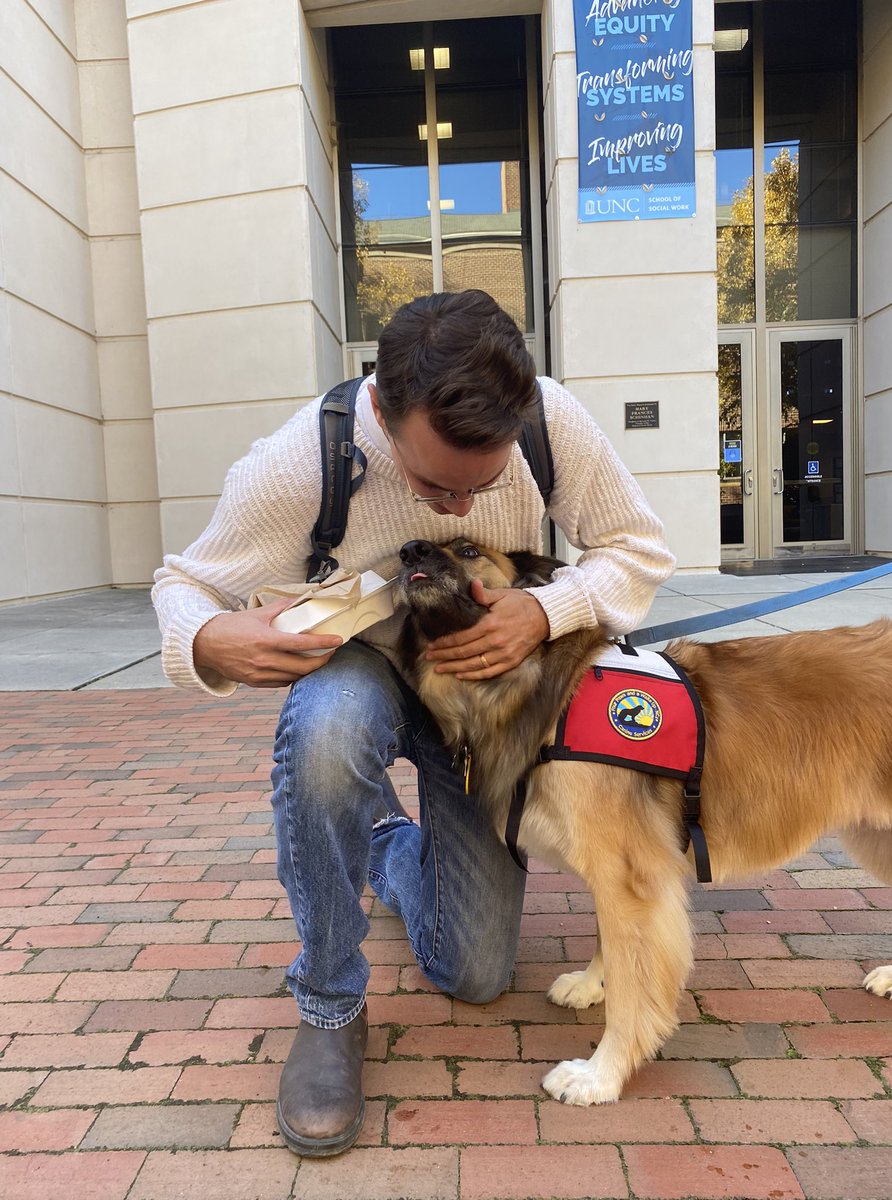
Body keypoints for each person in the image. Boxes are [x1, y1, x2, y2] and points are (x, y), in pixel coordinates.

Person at [152, 289, 676, 1157]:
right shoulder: (297, 463)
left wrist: (547, 611)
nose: (463, 511)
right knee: (324, 738)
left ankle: (388, 842)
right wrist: (207, 639)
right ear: (381, 418)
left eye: (489, 483)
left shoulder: (554, 424)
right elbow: (185, 583)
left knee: (474, 973)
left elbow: (638, 547)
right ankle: (329, 1004)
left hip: (485, 696)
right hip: (365, 666)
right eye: (436, 488)